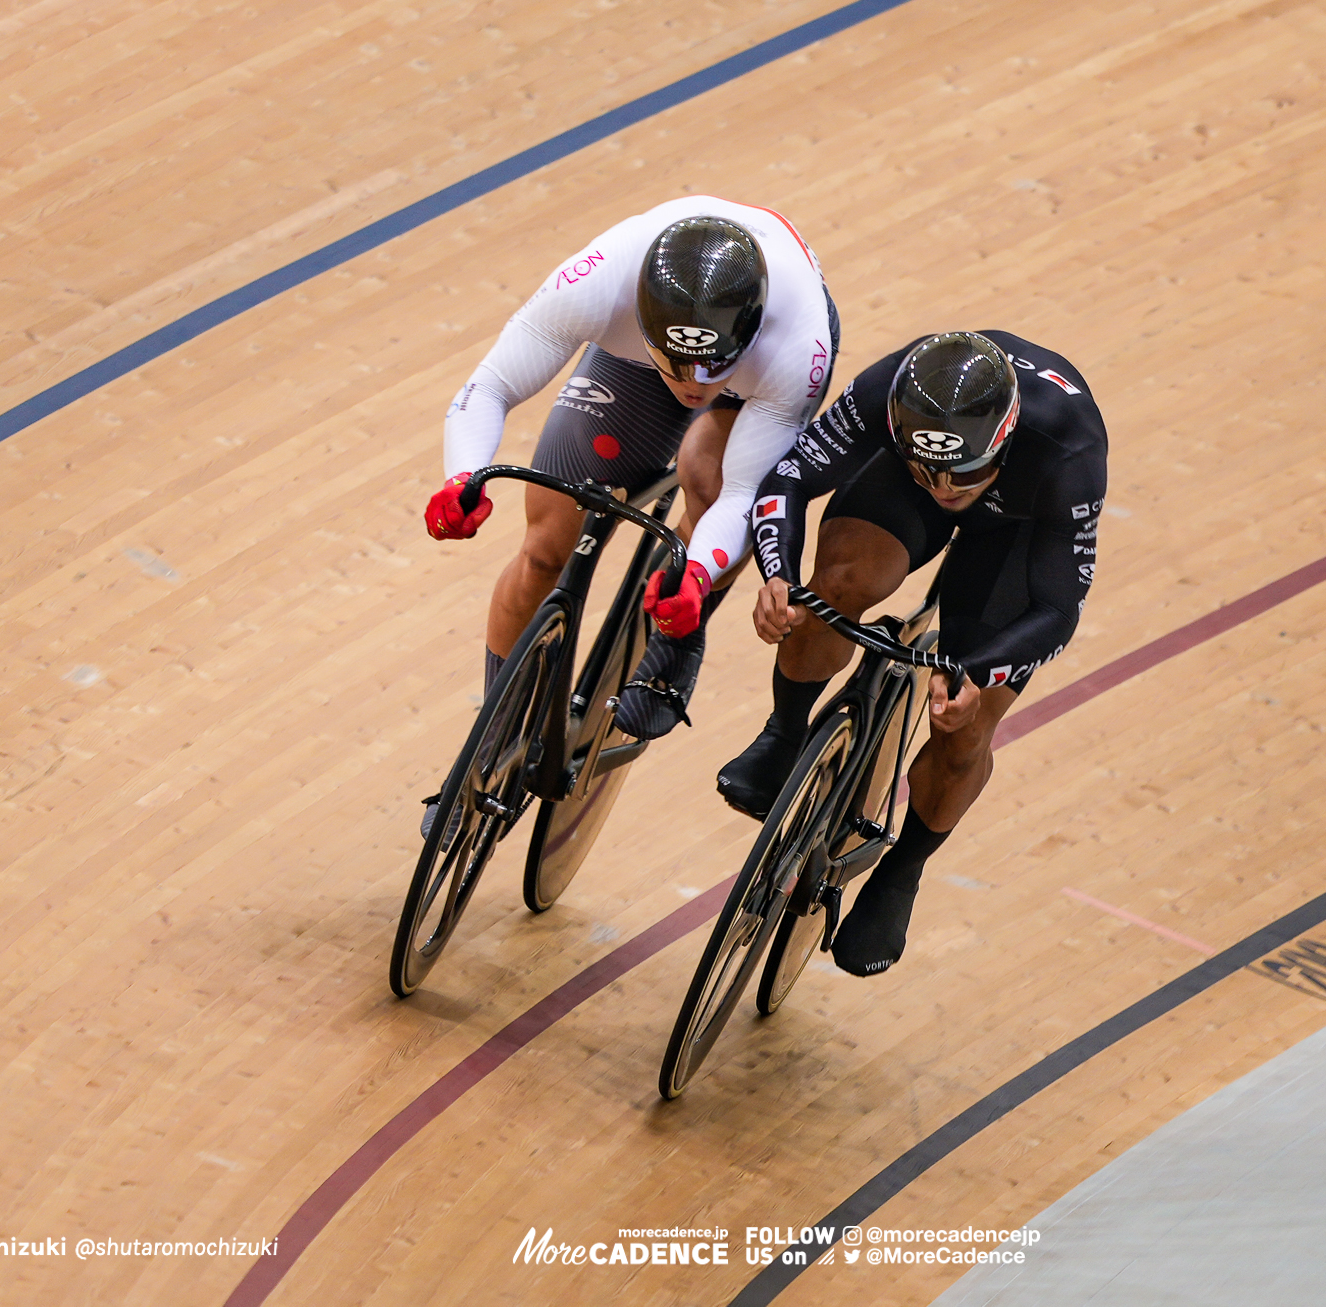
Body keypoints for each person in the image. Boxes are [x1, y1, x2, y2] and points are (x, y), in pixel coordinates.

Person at [718, 330, 1108, 976]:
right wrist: (777, 574)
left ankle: (902, 873)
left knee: (967, 725)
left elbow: (1057, 610)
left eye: (965, 473)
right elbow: (788, 477)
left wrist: (978, 673)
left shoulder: (1069, 446)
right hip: (901, 488)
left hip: (1016, 533)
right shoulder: (894, 386)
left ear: (1005, 438)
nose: (949, 487)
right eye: (934, 469)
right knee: (835, 587)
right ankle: (784, 732)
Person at [424, 197, 839, 745]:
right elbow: (491, 385)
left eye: (713, 368)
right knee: (548, 544)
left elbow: (745, 494)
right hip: (639, 361)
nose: (694, 384)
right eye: (678, 366)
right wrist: (463, 477)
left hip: (756, 383)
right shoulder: (598, 283)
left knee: (710, 481)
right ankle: (491, 741)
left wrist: (695, 574)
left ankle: (678, 634)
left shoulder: (796, 343)